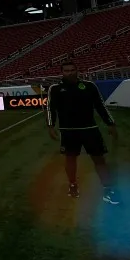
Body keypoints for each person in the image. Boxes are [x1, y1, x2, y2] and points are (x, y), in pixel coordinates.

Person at [47, 61, 119, 204]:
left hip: (90, 129)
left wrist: (110, 123)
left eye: (72, 70)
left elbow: (100, 105)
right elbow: (51, 108)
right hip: (68, 131)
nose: (70, 73)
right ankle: (73, 185)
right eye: (66, 70)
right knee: (70, 159)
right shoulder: (55, 89)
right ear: (62, 72)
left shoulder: (89, 86)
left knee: (99, 160)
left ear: (77, 71)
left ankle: (108, 189)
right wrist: (50, 126)